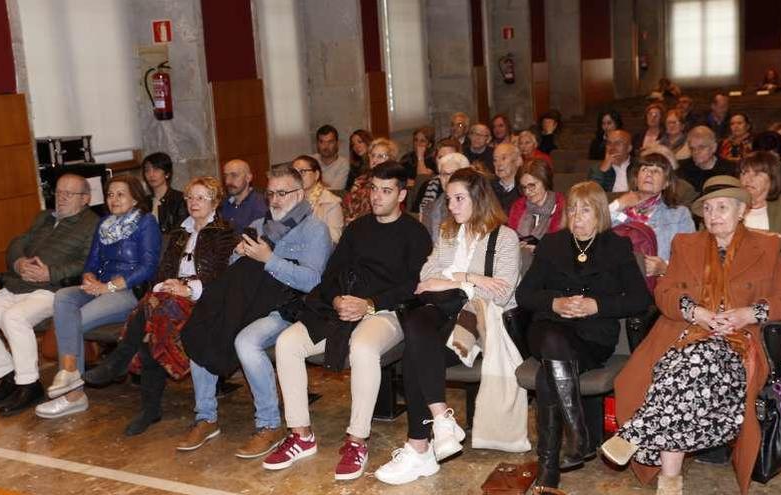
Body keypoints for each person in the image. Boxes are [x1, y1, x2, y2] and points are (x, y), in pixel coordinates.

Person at [603, 175, 781, 495]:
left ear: (741, 211)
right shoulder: (685, 244)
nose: (713, 215)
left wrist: (747, 314)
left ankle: (636, 437)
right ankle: (669, 481)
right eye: (707, 208)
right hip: (685, 333)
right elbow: (664, 293)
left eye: (722, 207)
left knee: (689, 364)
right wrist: (696, 313)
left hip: (738, 342)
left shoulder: (766, 246)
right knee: (684, 372)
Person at [264, 162, 432, 481]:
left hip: (387, 311)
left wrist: (369, 304)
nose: (377, 197)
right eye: (373, 189)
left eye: (386, 191)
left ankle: (357, 440)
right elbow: (330, 276)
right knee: (287, 343)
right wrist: (338, 299)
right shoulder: (357, 229)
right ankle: (301, 434)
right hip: (342, 306)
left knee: (363, 348)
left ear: (402, 194)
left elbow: (413, 285)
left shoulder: (415, 233)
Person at [374, 168, 521, 485]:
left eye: (458, 199)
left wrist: (458, 280)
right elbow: (425, 278)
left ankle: (421, 448)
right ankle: (438, 422)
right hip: (440, 314)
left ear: (478, 198)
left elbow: (502, 292)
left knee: (415, 348)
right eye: (449, 198)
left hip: (478, 323)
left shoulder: (504, 237)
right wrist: (470, 279)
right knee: (417, 327)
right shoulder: (448, 233)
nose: (451, 206)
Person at [173, 166, 332, 455]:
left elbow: (312, 282)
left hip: (288, 308)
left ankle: (269, 424)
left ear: (300, 193)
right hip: (248, 301)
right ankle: (205, 417)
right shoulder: (259, 225)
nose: (275, 199)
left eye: (282, 193)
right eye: (270, 193)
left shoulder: (315, 229)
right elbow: (236, 274)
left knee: (245, 341)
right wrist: (239, 254)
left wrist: (269, 259)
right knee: (204, 327)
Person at [516, 181, 652, 493]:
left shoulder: (616, 247)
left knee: (548, 375)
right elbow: (525, 294)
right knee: (552, 342)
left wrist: (597, 305)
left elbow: (639, 299)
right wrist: (556, 302)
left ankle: (550, 465)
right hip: (549, 326)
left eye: (586, 210)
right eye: (573, 210)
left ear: (600, 213)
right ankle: (578, 435)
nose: (577, 218)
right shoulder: (552, 244)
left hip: (592, 337)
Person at [81, 177, 237, 436]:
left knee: (152, 314)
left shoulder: (225, 233)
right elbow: (162, 269)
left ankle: (123, 366)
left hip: (204, 300)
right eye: (189, 197)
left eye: (201, 197)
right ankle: (146, 404)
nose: (193, 203)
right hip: (168, 299)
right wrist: (166, 285)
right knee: (154, 322)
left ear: (215, 202)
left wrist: (187, 288)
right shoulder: (180, 232)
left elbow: (220, 275)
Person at [0, 174, 98, 417]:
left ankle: (29, 385)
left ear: (85, 199)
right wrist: (19, 263)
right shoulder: (44, 217)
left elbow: (87, 263)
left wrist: (49, 273)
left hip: (52, 290)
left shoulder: (92, 225)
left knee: (13, 318)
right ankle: (8, 375)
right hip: (18, 285)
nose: (60, 198)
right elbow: (17, 243)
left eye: (68, 194)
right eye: (59, 192)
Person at [36, 176, 161, 419]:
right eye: (110, 194)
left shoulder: (146, 223)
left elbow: (148, 267)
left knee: (74, 321)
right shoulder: (104, 224)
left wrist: (110, 287)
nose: (114, 199)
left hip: (129, 291)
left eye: (120, 194)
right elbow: (91, 262)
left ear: (135, 198)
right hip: (100, 287)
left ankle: (73, 394)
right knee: (63, 296)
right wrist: (90, 278)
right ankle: (71, 376)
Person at [610, 151, 695, 276]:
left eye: (656, 171)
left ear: (666, 183)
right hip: (617, 279)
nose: (649, 174)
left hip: (656, 284)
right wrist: (618, 204)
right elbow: (592, 229)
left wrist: (665, 267)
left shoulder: (680, 214)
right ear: (636, 178)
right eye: (644, 169)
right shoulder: (619, 208)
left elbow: (690, 256)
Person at [740, 151, 781, 271]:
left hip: (774, 271)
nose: (748, 179)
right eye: (744, 173)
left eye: (757, 174)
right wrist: (766, 235)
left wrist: (737, 234)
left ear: (772, 178)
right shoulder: (732, 203)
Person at [509, 159, 565, 255]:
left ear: (545, 181)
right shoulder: (518, 207)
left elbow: (562, 246)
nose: (527, 192)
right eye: (524, 187)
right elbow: (510, 238)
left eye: (532, 185)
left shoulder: (562, 208)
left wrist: (539, 249)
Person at [342, 138, 399, 224]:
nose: (375, 160)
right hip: (353, 223)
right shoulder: (360, 179)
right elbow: (348, 204)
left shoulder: (394, 182)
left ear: (391, 159)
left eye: (380, 156)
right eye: (373, 155)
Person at [292, 155, 344, 244]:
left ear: (316, 175)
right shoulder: (288, 198)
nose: (298, 176)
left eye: (302, 171)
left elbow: (335, 237)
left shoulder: (331, 202)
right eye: (294, 172)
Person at [421, 153, 472, 241]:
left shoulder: (475, 204)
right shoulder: (429, 208)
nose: (448, 179)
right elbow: (425, 244)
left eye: (453, 173)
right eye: (443, 174)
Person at [676, 126, 737, 193]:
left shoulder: (729, 169)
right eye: (692, 148)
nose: (696, 152)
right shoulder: (682, 168)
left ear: (714, 147)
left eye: (701, 147)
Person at [143, 152, 188, 234]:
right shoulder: (144, 202)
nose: (151, 174)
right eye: (147, 170)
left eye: (156, 169)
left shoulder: (180, 199)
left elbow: (180, 231)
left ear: (167, 174)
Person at [219, 159, 268, 234]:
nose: (227, 181)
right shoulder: (222, 204)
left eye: (234, 175)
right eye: (225, 176)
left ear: (248, 178)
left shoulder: (260, 206)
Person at [416, 138, 463, 214]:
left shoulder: (467, 184)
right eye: (440, 157)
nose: (444, 161)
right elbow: (416, 215)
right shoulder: (426, 185)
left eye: (449, 156)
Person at [312, 125, 351, 190]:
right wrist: (325, 185)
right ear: (317, 144)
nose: (326, 146)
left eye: (330, 142)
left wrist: (315, 182)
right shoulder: (310, 160)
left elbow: (335, 190)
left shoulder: (343, 163)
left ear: (337, 143)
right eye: (321, 142)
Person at [491, 142, 523, 213]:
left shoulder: (525, 189)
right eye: (495, 160)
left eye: (503, 158)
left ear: (518, 161)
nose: (498, 164)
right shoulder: (488, 188)